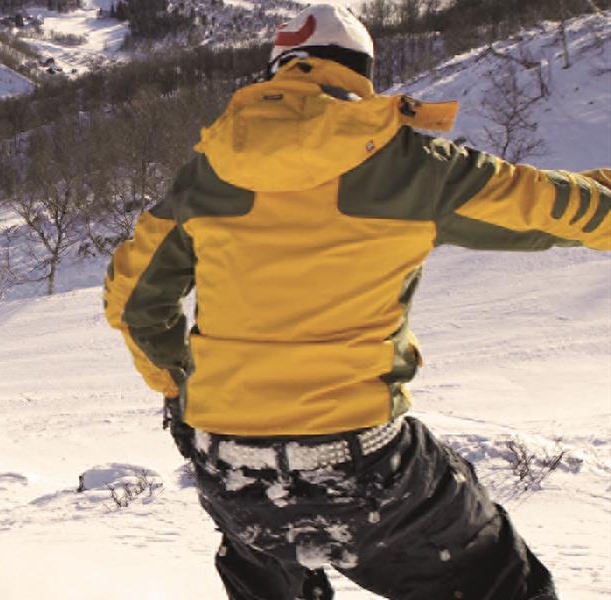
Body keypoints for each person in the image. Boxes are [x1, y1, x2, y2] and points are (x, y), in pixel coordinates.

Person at [103, 5, 607, 599]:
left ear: (279, 71)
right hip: (363, 464)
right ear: (360, 72)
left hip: (227, 465)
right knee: (496, 578)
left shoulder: (208, 173)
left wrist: (175, 386)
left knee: (260, 560)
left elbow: (132, 300)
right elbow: (562, 209)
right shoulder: (415, 167)